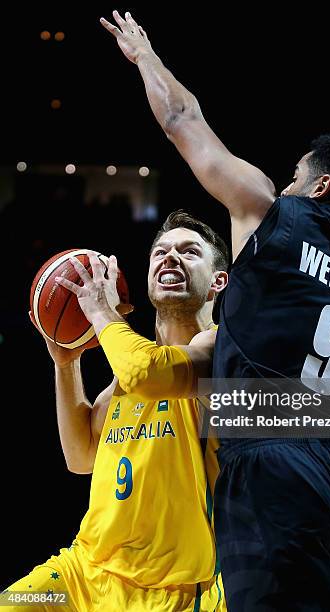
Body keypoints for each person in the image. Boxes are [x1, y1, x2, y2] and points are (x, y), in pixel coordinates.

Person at [101, 11, 330, 610]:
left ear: (321, 186)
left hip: (270, 461)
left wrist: (145, 57)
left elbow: (183, 118)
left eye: (294, 176)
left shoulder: (272, 213)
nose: (283, 185)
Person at [3, 212, 228, 611]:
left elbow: (150, 373)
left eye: (189, 251)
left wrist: (101, 313)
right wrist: (65, 364)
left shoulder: (221, 351)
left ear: (217, 282)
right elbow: (81, 456)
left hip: (171, 590)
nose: (170, 257)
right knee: (13, 603)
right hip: (86, 572)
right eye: (160, 251)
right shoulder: (128, 369)